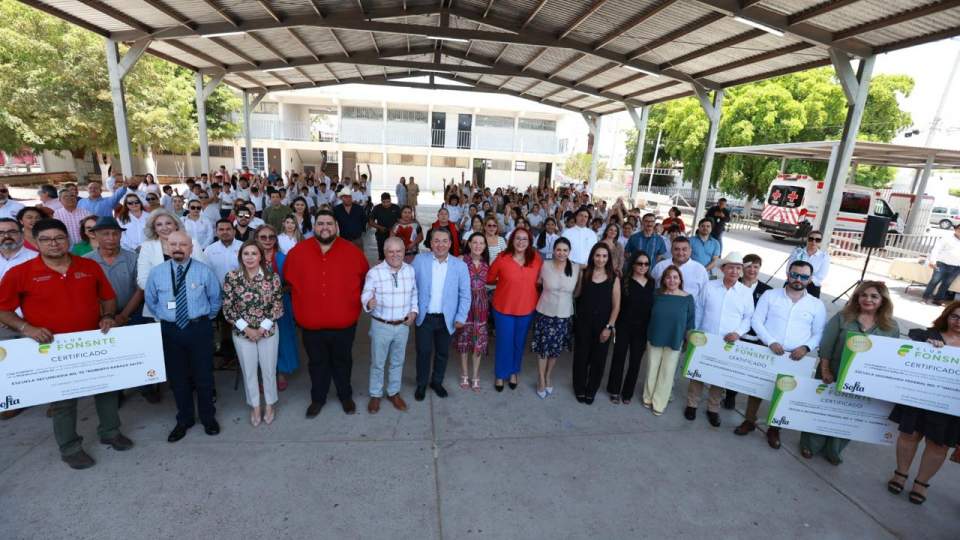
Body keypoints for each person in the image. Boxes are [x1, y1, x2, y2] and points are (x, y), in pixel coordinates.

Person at [0, 218, 132, 469]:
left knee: (106, 388)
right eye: (46, 240)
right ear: (35, 243)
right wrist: (26, 328)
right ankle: (70, 446)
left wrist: (106, 316)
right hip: (51, 347)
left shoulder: (88, 266)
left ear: (68, 239)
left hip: (92, 341)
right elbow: (3, 310)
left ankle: (110, 432)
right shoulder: (21, 273)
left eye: (59, 238)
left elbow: (108, 297)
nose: (54, 244)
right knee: (63, 399)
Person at [804, 280, 901, 464]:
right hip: (831, 374)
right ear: (857, 297)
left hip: (863, 382)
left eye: (874, 296)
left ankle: (834, 451)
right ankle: (810, 445)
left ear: (883, 300)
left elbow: (890, 358)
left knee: (849, 416)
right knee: (822, 411)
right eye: (863, 295)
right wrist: (825, 370)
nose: (868, 299)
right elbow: (827, 345)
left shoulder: (891, 327)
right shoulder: (843, 317)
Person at [285, 209, 369, 417]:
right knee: (316, 363)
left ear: (336, 227)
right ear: (314, 227)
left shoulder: (353, 252)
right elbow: (288, 282)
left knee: (343, 361)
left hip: (344, 324)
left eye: (329, 223)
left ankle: (345, 396)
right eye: (320, 223)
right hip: (311, 325)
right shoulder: (297, 252)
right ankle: (318, 398)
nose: (324, 227)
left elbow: (366, 282)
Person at [735, 261, 826, 448]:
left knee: (784, 394)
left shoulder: (816, 305)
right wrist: (771, 341)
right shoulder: (770, 295)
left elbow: (819, 333)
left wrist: (806, 347)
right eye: (795, 274)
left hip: (795, 357)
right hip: (767, 350)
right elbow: (757, 321)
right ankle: (749, 421)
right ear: (788, 274)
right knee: (756, 389)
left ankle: (775, 428)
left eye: (803, 276)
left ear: (809, 280)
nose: (798, 279)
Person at [144, 231, 222, 443]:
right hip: (171, 331)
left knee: (204, 377)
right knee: (178, 379)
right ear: (167, 248)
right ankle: (184, 419)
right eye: (173, 244)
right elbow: (151, 300)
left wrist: (202, 318)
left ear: (190, 247)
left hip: (199, 329)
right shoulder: (157, 273)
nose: (178, 248)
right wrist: (167, 317)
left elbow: (216, 299)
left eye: (183, 244)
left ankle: (208, 418)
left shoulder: (204, 271)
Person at [887, 301, 960, 505]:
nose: (958, 322)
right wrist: (925, 347)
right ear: (947, 316)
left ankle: (922, 483)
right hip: (919, 397)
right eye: (955, 316)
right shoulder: (928, 336)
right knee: (909, 436)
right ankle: (900, 473)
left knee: (938, 445)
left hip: (950, 405)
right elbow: (904, 354)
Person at [684, 253, 754, 426]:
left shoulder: (745, 293)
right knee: (697, 373)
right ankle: (692, 404)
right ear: (723, 269)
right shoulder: (709, 286)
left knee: (719, 377)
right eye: (730, 267)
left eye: (738, 268)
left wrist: (738, 333)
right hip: (706, 338)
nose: (734, 271)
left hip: (729, 342)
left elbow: (748, 318)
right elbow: (699, 308)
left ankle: (713, 409)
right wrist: (695, 332)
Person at [222, 241, 284, 426]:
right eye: (246, 253)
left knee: (268, 370)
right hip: (243, 334)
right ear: (240, 256)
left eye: (253, 253)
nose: (249, 257)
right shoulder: (232, 277)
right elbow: (228, 308)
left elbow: (278, 305)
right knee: (249, 372)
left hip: (268, 331)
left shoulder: (271, 277)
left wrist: (262, 328)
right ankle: (255, 406)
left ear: (261, 256)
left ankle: (270, 404)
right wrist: (247, 329)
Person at [411, 228, 471, 401]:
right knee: (423, 352)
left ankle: (437, 382)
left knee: (442, 353)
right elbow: (411, 287)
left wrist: (461, 317)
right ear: (430, 243)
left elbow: (465, 294)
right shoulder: (419, 261)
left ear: (451, 244)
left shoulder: (459, 266)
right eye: (436, 240)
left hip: (448, 319)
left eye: (445, 241)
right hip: (425, 317)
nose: (440, 244)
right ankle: (421, 384)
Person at [360, 237, 417, 413]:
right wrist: (369, 302)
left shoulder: (410, 270)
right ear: (385, 253)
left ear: (404, 251)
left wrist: (414, 311)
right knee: (378, 362)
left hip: (402, 326)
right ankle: (375, 394)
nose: (395, 255)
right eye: (390, 251)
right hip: (381, 325)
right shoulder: (375, 272)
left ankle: (393, 392)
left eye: (398, 251)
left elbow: (414, 293)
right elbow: (365, 293)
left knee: (397, 361)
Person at [488, 228, 543, 392]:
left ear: (529, 242)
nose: (521, 242)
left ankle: (513, 372)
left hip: (526, 309)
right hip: (503, 308)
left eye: (524, 239)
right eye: (517, 238)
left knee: (519, 343)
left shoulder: (536, 259)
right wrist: (505, 284)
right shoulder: (502, 258)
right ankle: (500, 373)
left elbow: (543, 279)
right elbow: (490, 278)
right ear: (512, 240)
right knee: (504, 342)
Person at [137, 209, 208, 320]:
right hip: (159, 308)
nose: (164, 228)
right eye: (159, 224)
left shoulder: (192, 242)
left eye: (168, 223)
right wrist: (168, 292)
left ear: (176, 225)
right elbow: (143, 281)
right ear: (154, 229)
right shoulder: (147, 247)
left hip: (193, 306)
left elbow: (205, 275)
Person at [572, 243, 621, 404]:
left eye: (604, 256)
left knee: (598, 360)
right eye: (598, 255)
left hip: (603, 325)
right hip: (584, 323)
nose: (601, 259)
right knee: (581, 357)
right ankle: (579, 388)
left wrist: (609, 326)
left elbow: (616, 306)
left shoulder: (614, 278)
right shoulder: (585, 273)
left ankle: (591, 390)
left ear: (608, 258)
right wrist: (579, 277)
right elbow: (577, 294)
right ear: (593, 256)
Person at [643, 265, 695, 415]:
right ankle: (648, 397)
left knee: (667, 372)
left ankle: (659, 403)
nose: (672, 280)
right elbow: (647, 315)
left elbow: (690, 322)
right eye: (668, 277)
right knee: (652, 368)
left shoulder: (687, 298)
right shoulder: (657, 295)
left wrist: (687, 340)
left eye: (675, 277)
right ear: (664, 280)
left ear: (680, 280)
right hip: (655, 336)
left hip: (675, 339)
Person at [723, 253, 772, 410]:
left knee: (749, 371)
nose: (752, 270)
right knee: (733, 369)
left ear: (760, 269)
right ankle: (730, 396)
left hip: (757, 337)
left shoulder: (767, 291)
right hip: (737, 334)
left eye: (756, 267)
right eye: (749, 266)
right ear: (742, 268)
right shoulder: (734, 284)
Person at [531, 237, 578, 399]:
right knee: (543, 348)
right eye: (559, 250)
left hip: (564, 315)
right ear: (553, 251)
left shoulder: (576, 267)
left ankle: (548, 375)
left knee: (555, 350)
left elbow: (577, 291)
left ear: (569, 252)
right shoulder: (544, 265)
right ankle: (541, 378)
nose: (562, 253)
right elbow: (536, 283)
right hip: (545, 312)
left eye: (565, 250)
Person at [254, 225, 300, 391]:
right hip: (257, 307)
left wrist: (276, 290)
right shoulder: (251, 257)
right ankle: (266, 373)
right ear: (257, 238)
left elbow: (293, 283)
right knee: (261, 339)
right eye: (263, 237)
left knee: (283, 338)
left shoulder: (283, 258)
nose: (267, 240)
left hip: (282, 304)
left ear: (276, 239)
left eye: (271, 237)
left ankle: (281, 371)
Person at [606, 250, 654, 405]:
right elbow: (617, 305)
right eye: (639, 263)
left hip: (642, 329)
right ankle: (614, 390)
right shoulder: (622, 281)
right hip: (624, 326)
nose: (643, 266)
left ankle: (627, 393)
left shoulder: (652, 283)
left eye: (646, 264)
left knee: (635, 362)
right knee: (618, 358)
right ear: (633, 264)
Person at [454, 233, 490, 392]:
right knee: (464, 339)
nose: (477, 245)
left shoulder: (486, 263)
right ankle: (464, 374)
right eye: (474, 242)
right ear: (469, 244)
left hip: (481, 305)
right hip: (464, 304)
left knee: (478, 341)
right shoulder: (461, 260)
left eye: (481, 243)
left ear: (485, 246)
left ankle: (475, 376)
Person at [922, 223, 960, 305]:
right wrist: (933, 261)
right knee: (934, 281)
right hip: (942, 264)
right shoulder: (947, 238)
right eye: (959, 229)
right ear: (956, 229)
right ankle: (926, 297)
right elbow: (936, 249)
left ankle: (938, 299)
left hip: (957, 267)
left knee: (946, 284)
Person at [787, 232, 831, 298]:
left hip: (812, 285)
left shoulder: (824, 257)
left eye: (817, 240)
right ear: (807, 239)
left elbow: (821, 276)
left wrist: (804, 280)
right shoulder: (798, 252)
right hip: (794, 281)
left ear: (821, 242)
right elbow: (789, 268)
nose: (814, 242)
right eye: (811, 239)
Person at [203, 219, 241, 284]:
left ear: (234, 232)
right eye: (221, 229)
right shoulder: (209, 250)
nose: (225, 232)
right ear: (216, 232)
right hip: (216, 290)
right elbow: (205, 272)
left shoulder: (243, 247)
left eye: (228, 229)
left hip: (240, 289)